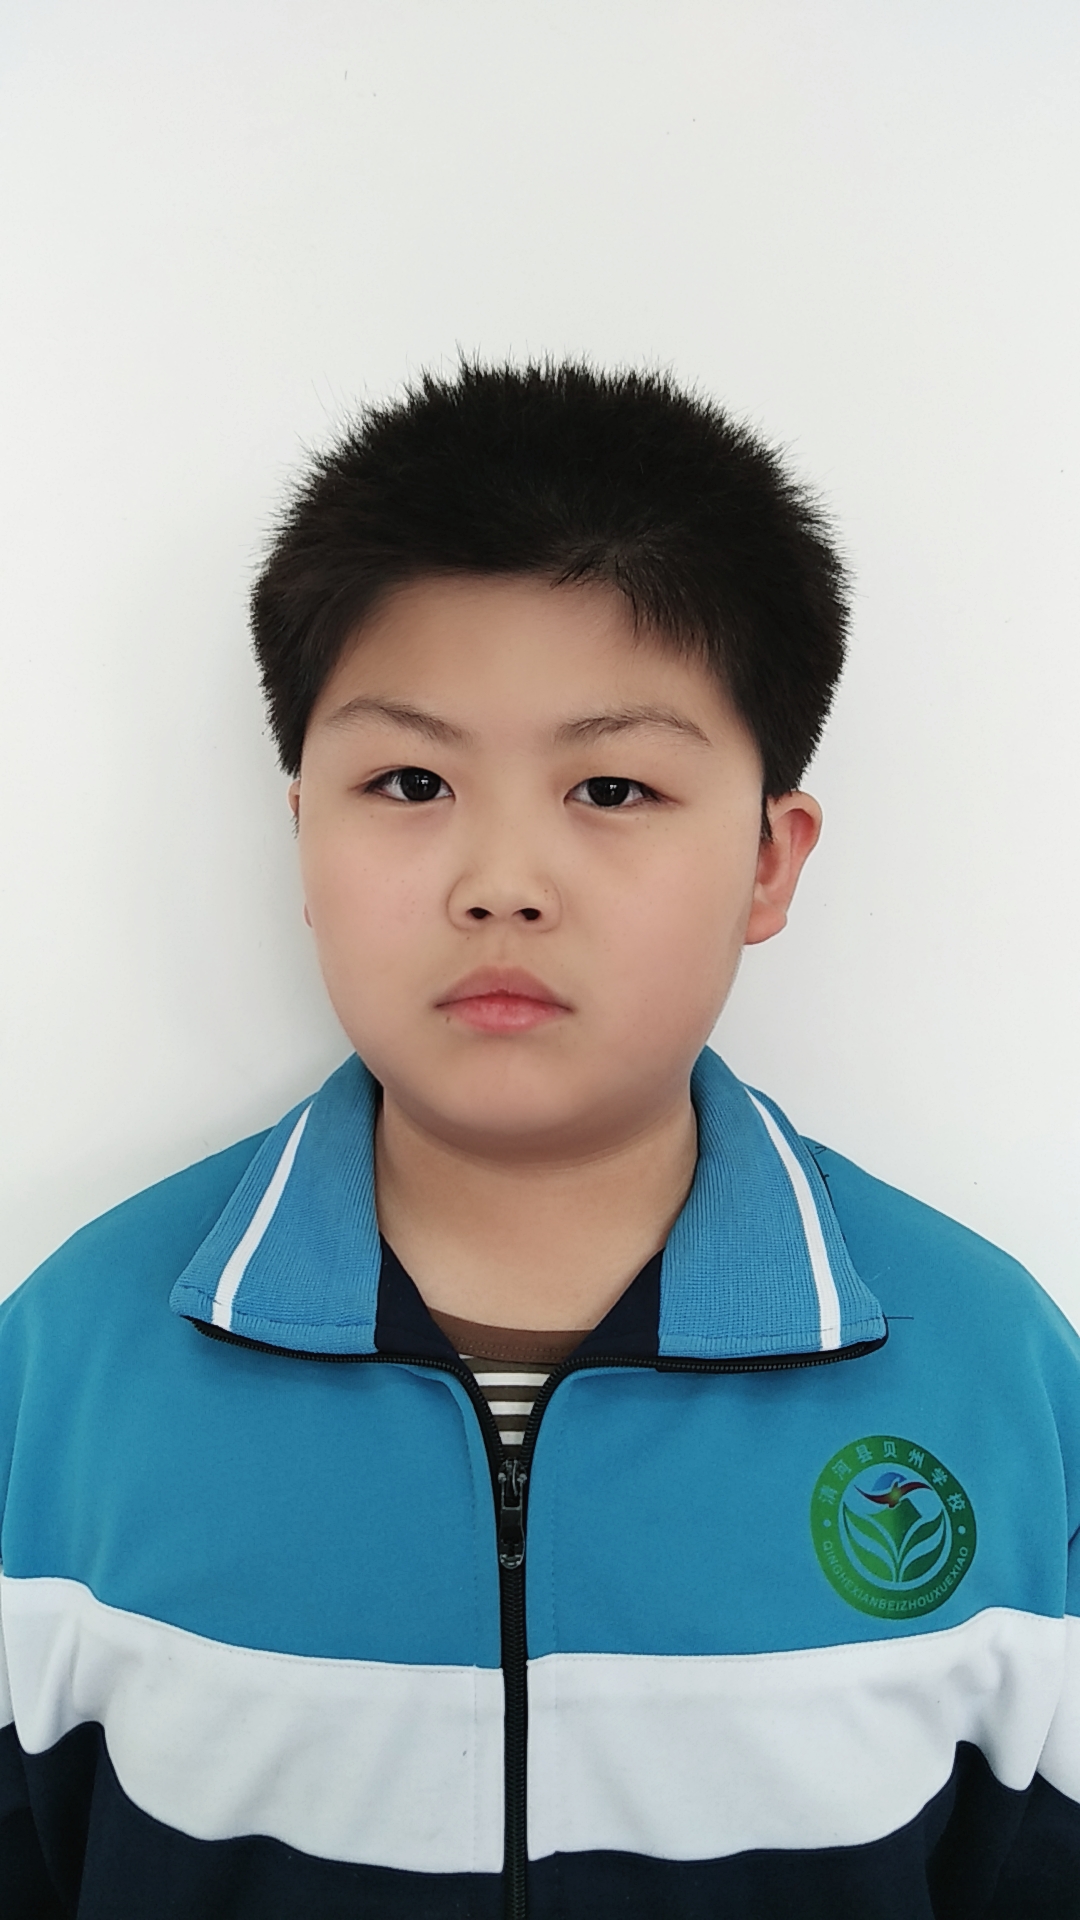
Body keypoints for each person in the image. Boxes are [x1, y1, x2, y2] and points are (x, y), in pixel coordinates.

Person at [1, 361, 1076, 1920]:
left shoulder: (991, 1374)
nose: (502, 880)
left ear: (768, 863)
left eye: (613, 786)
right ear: (302, 834)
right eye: (411, 781)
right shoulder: (67, 1372)